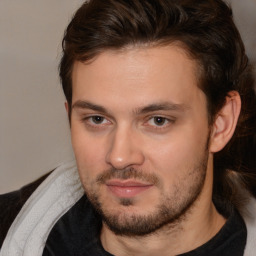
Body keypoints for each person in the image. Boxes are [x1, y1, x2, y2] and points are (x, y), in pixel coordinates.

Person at [0, 0, 256, 255]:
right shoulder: (10, 226)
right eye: (97, 119)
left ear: (220, 124)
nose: (120, 157)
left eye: (158, 120)